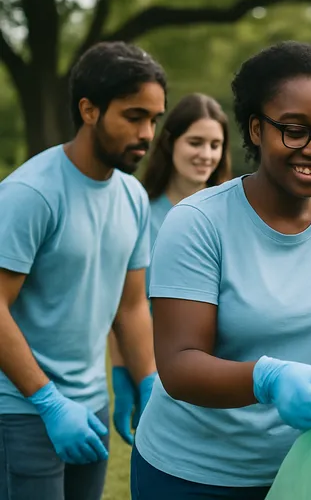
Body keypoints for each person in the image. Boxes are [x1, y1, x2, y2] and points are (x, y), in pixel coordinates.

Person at [131, 41, 311, 499]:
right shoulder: (198, 222)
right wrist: (267, 379)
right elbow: (179, 366)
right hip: (194, 474)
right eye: (294, 131)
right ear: (256, 129)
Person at [0, 41, 163, 500]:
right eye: (134, 117)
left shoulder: (132, 197)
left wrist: (146, 378)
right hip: (22, 409)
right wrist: (48, 402)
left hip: (89, 408)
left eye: (154, 119)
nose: (148, 134)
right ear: (89, 110)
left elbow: (130, 307)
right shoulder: (30, 193)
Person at [107, 92, 232, 446]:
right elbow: (126, 304)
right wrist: (123, 369)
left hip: (221, 372)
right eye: (195, 142)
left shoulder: (235, 216)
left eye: (215, 144)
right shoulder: (139, 212)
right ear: (170, 142)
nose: (206, 154)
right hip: (155, 370)